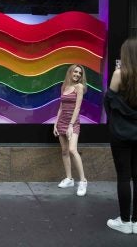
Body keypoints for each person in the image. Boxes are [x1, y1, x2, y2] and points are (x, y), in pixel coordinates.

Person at [104, 38, 137, 234]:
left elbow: (109, 102)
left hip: (121, 133)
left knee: (124, 177)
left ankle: (125, 222)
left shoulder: (119, 74)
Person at [53, 64, 88, 196]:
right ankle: (69, 179)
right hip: (61, 122)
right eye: (75, 72)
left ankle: (83, 181)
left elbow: (77, 108)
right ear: (70, 72)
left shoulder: (79, 87)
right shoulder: (65, 86)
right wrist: (55, 124)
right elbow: (61, 107)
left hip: (72, 123)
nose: (77, 74)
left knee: (73, 150)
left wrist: (70, 125)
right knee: (64, 151)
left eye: (80, 73)